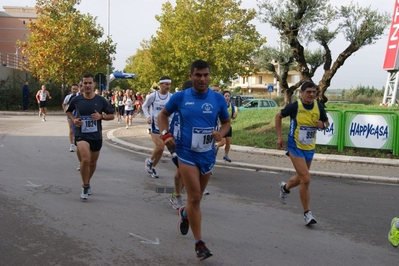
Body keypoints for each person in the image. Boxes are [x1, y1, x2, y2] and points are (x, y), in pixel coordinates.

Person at [158, 60, 230, 260]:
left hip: (207, 154)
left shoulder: (217, 99)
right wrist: (165, 134)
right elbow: (162, 115)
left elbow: (226, 123)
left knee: (195, 200)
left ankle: (184, 213)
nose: (202, 79)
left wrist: (221, 135)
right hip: (185, 153)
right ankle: (199, 243)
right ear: (191, 76)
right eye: (198, 75)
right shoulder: (181, 97)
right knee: (196, 197)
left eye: (206, 75)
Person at [275, 81, 329, 226]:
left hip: (309, 147)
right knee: (306, 178)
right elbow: (278, 116)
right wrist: (279, 137)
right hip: (295, 146)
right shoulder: (295, 106)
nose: (311, 94)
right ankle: (307, 214)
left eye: (314, 92)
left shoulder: (318, 106)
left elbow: (326, 122)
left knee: (300, 178)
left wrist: (322, 125)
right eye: (308, 92)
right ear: (302, 92)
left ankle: (285, 188)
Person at [65, 73, 114, 200]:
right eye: (85, 83)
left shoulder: (100, 100)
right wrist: (74, 119)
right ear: (82, 84)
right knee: (85, 159)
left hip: (96, 135)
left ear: (94, 84)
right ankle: (85, 185)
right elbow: (68, 111)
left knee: (92, 162)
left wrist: (101, 116)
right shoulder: (76, 100)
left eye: (89, 83)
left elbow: (111, 115)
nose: (87, 85)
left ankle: (88, 180)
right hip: (82, 134)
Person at [142, 76, 173, 178]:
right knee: (160, 146)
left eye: (169, 84)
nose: (168, 86)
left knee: (161, 149)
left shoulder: (171, 97)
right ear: (160, 84)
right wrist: (147, 117)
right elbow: (144, 106)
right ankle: (149, 161)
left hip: (165, 126)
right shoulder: (153, 96)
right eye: (166, 84)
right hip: (154, 125)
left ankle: (152, 167)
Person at [169, 80, 192, 210]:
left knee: (189, 173)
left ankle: (178, 193)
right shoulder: (176, 105)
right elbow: (164, 118)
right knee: (181, 171)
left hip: (193, 144)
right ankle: (176, 195)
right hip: (178, 143)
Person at [214, 90, 237, 162]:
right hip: (221, 126)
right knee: (222, 142)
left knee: (228, 142)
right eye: (225, 96)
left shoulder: (232, 106)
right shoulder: (220, 105)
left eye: (228, 96)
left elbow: (233, 116)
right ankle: (215, 147)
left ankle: (226, 155)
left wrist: (234, 116)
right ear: (223, 97)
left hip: (228, 126)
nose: (227, 97)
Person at [62, 84, 79, 152]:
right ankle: (72, 144)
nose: (74, 90)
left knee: (78, 128)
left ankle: (78, 141)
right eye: (73, 89)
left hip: (78, 113)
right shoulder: (68, 97)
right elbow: (64, 104)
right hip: (71, 113)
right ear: (71, 89)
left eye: (76, 89)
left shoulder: (79, 96)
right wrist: (65, 110)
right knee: (71, 128)